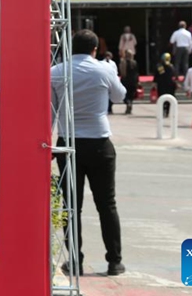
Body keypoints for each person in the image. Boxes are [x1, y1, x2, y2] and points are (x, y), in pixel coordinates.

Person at [52, 29, 127, 277]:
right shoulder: (104, 69)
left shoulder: (57, 72)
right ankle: (114, 261)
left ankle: (75, 261)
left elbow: (50, 110)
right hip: (99, 143)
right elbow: (119, 96)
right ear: (95, 49)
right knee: (107, 204)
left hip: (69, 143)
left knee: (72, 207)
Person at [155, 53, 177, 117]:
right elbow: (174, 76)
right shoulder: (171, 66)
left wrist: (154, 83)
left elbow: (158, 75)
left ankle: (163, 111)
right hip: (170, 85)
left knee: (162, 98)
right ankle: (167, 112)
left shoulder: (160, 66)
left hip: (162, 85)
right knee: (168, 99)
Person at [119, 49, 139, 115]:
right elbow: (136, 73)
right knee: (131, 95)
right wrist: (138, 81)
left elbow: (121, 72)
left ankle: (128, 103)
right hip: (133, 81)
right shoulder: (134, 62)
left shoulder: (122, 62)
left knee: (125, 95)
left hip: (125, 81)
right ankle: (130, 105)